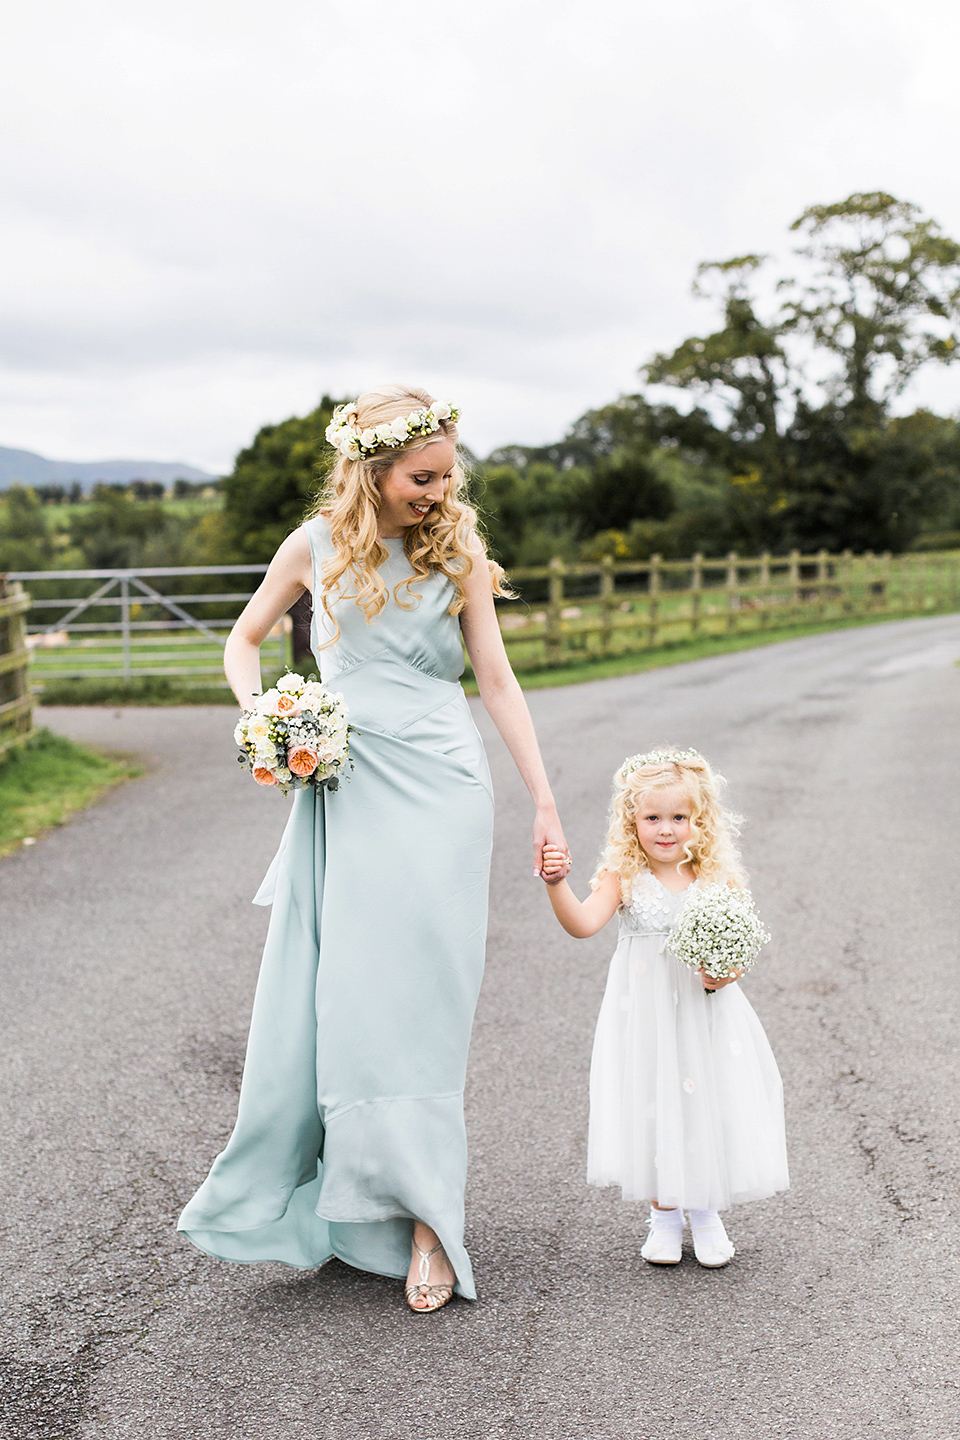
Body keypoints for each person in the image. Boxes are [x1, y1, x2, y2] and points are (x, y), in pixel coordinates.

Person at [178, 385, 570, 1313]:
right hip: (346, 789)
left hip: (442, 788)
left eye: (445, 476)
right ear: (372, 469)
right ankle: (347, 1198)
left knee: (430, 1001)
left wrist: (545, 803)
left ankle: (433, 1220)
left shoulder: (460, 553)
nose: (438, 492)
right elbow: (243, 642)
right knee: (352, 1002)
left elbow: (501, 686)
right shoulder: (311, 546)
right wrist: (267, 714)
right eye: (421, 477)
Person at [539, 747, 787, 1268]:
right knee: (654, 1101)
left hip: (704, 1012)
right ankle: (664, 1215)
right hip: (646, 1014)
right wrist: (557, 884)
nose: (667, 829)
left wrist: (722, 974)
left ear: (701, 821)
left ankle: (706, 1212)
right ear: (632, 820)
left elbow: (736, 951)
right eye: (653, 817)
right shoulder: (622, 878)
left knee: (706, 1100)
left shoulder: (717, 880)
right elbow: (583, 924)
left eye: (680, 817)